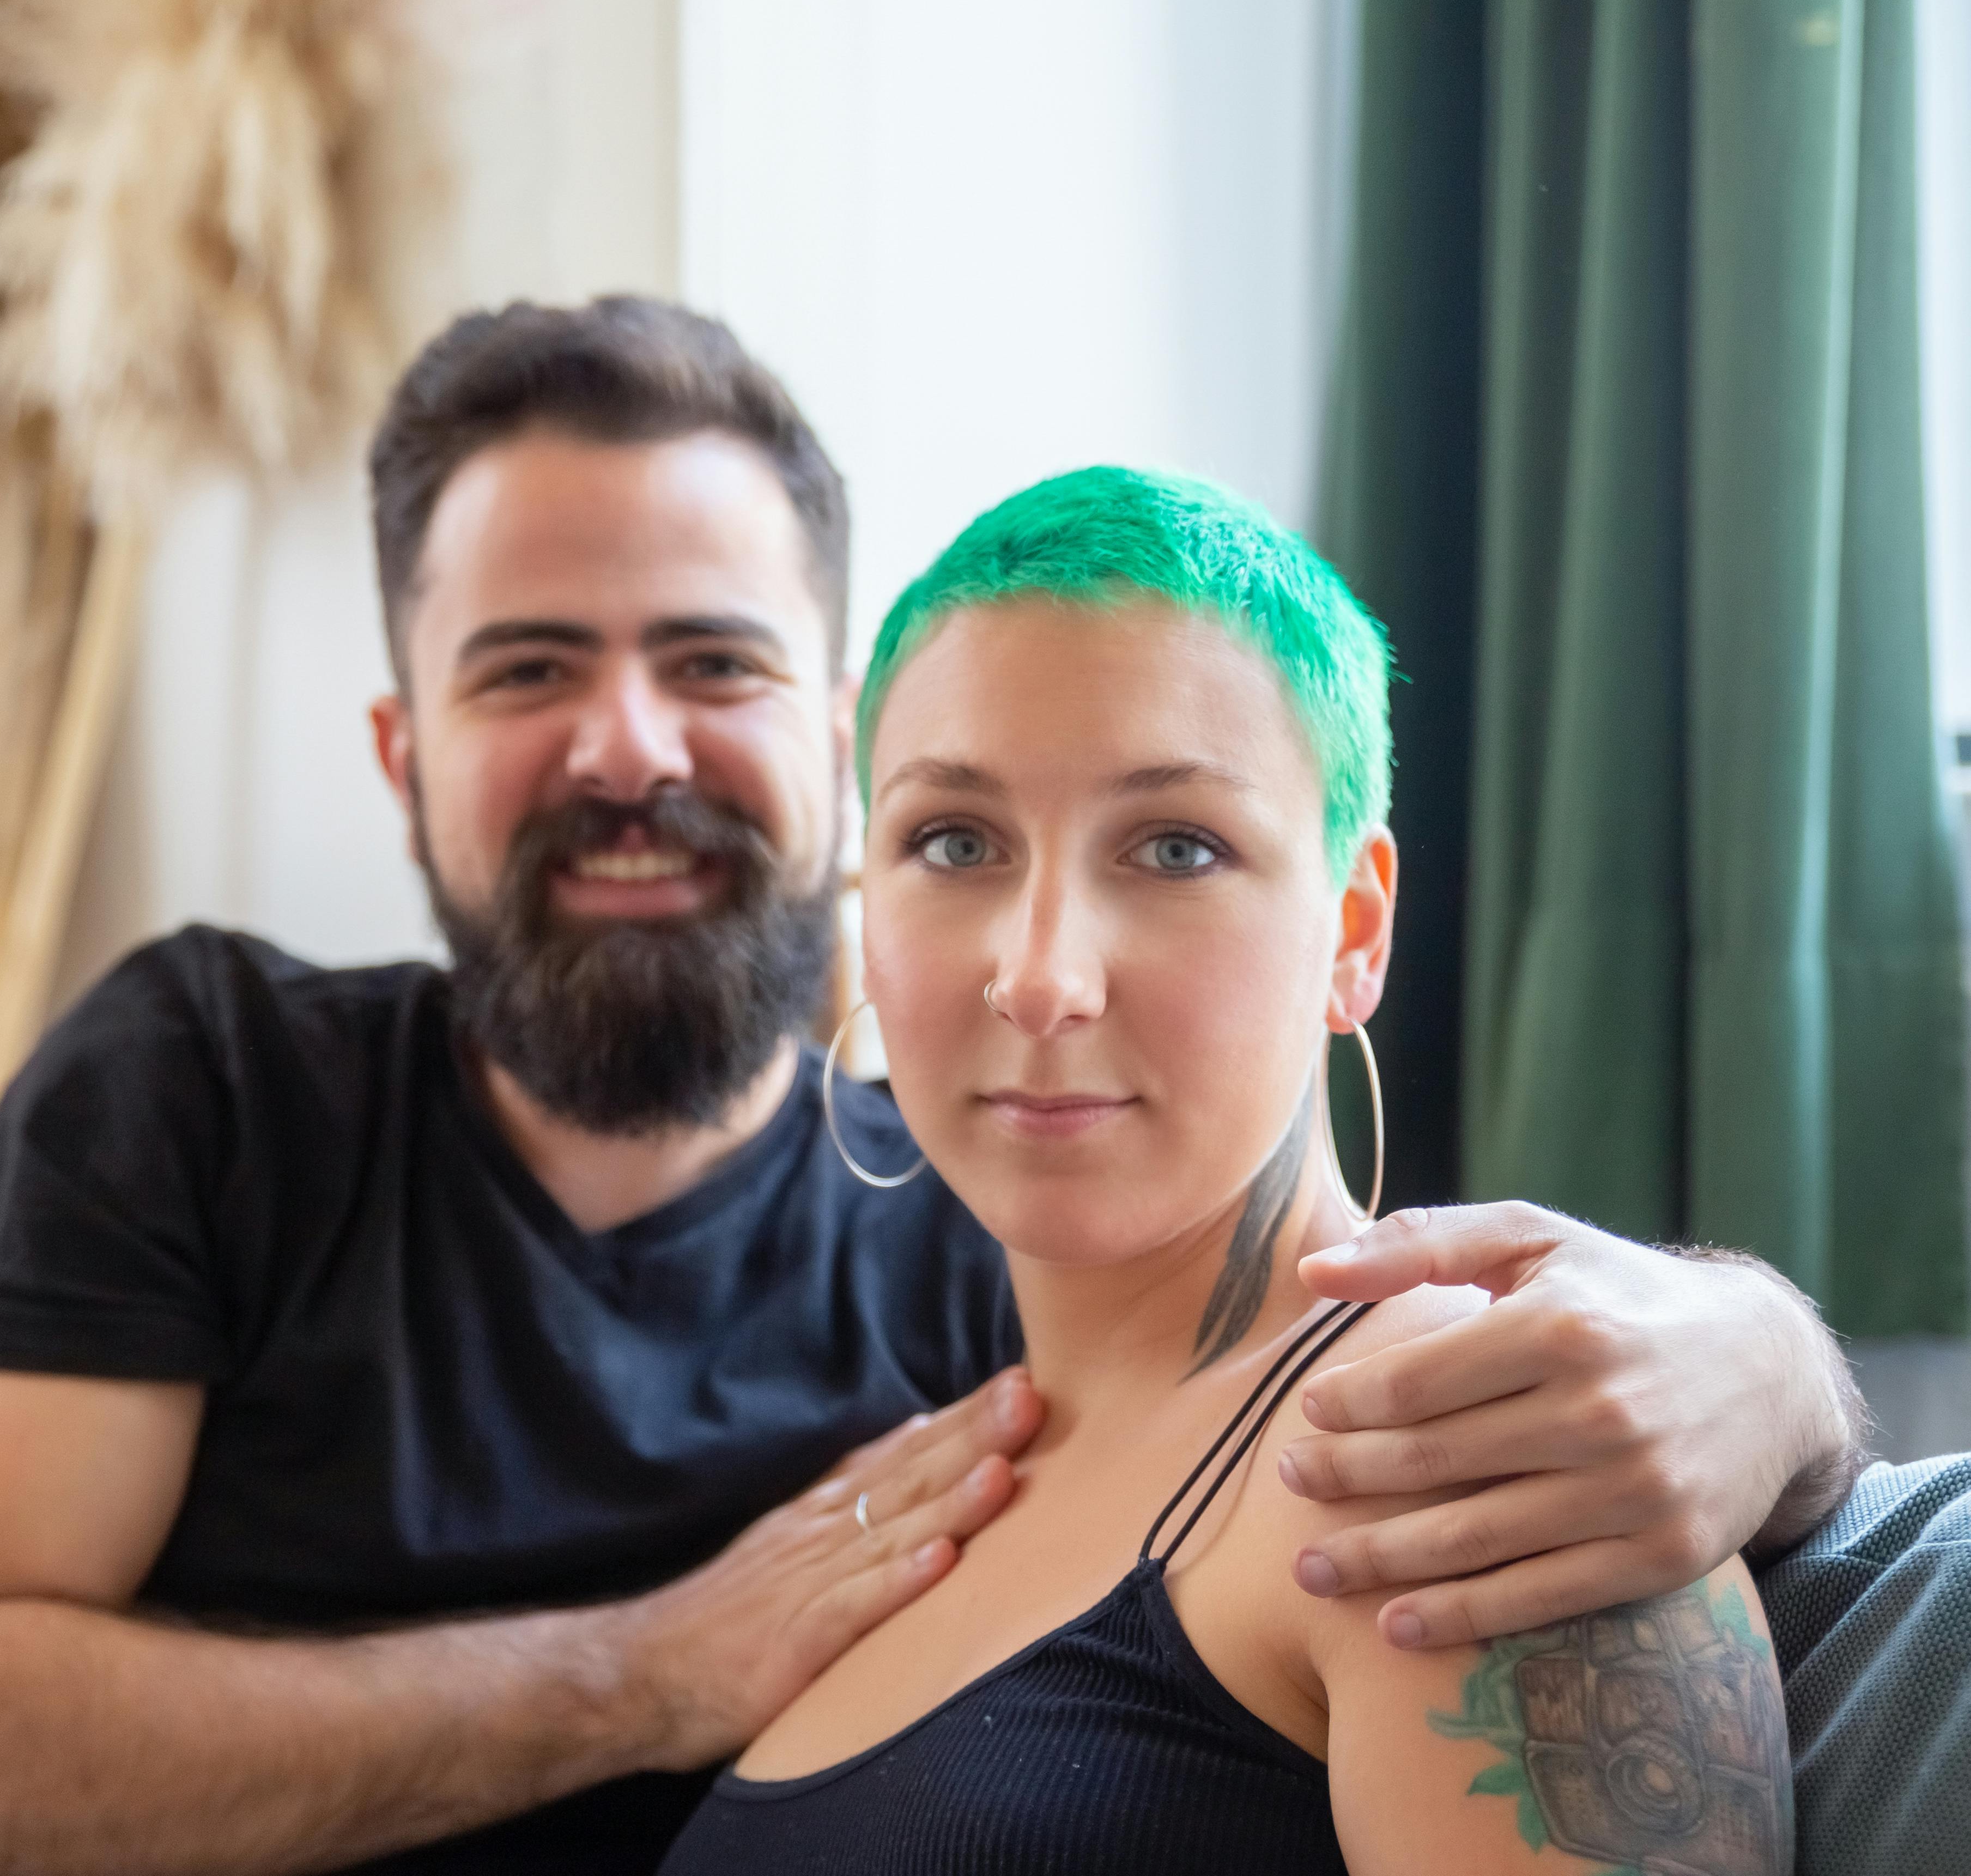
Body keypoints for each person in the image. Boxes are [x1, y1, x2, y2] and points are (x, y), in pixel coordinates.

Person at [0, 300, 1860, 1876]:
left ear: (818, 734)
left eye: (709, 661)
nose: (627, 747)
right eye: (525, 671)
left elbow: (1381, 1338)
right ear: (399, 748)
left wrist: (1780, 1367)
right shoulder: (208, 1065)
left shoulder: (1015, 1229)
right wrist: (637, 1673)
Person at [658, 465, 1787, 1875]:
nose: (1039, 976)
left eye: (1175, 847)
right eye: (952, 841)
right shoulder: (916, 1470)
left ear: (1353, 929)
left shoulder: (1455, 1450)